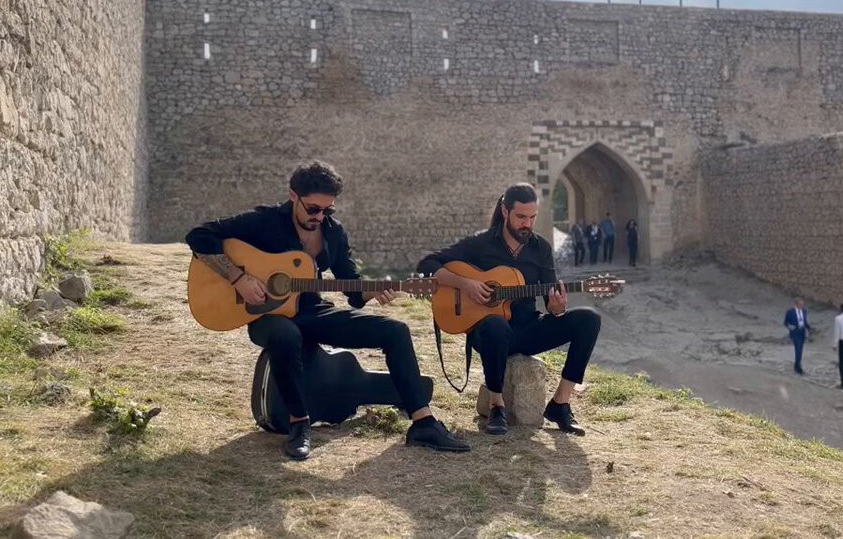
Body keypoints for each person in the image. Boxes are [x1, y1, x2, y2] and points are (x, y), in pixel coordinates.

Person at [185, 161, 468, 459]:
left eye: (327, 210)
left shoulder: (333, 233)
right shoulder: (264, 221)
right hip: (267, 316)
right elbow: (199, 236)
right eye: (313, 209)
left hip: (313, 311)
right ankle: (299, 423)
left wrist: (372, 291)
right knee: (285, 336)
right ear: (293, 196)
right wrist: (239, 278)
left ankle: (423, 423)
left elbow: (352, 289)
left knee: (395, 331)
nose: (319, 217)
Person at [417, 183, 602, 436]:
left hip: (527, 329)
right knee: (496, 324)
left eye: (533, 217)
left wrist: (557, 308)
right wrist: (466, 284)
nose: (528, 224)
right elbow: (427, 264)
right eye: (521, 217)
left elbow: (551, 302)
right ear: (505, 212)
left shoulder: (541, 248)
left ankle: (560, 403)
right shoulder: (481, 243)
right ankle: (496, 406)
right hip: (488, 333)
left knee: (589, 319)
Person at [783, 298, 812, 375]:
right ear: (796, 304)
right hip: (795, 331)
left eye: (803, 304)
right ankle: (798, 369)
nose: (802, 305)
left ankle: (797, 367)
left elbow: (805, 321)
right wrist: (790, 327)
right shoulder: (790, 312)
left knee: (800, 350)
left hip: (802, 332)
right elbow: (785, 322)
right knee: (798, 350)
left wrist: (809, 328)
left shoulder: (804, 311)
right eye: (800, 304)